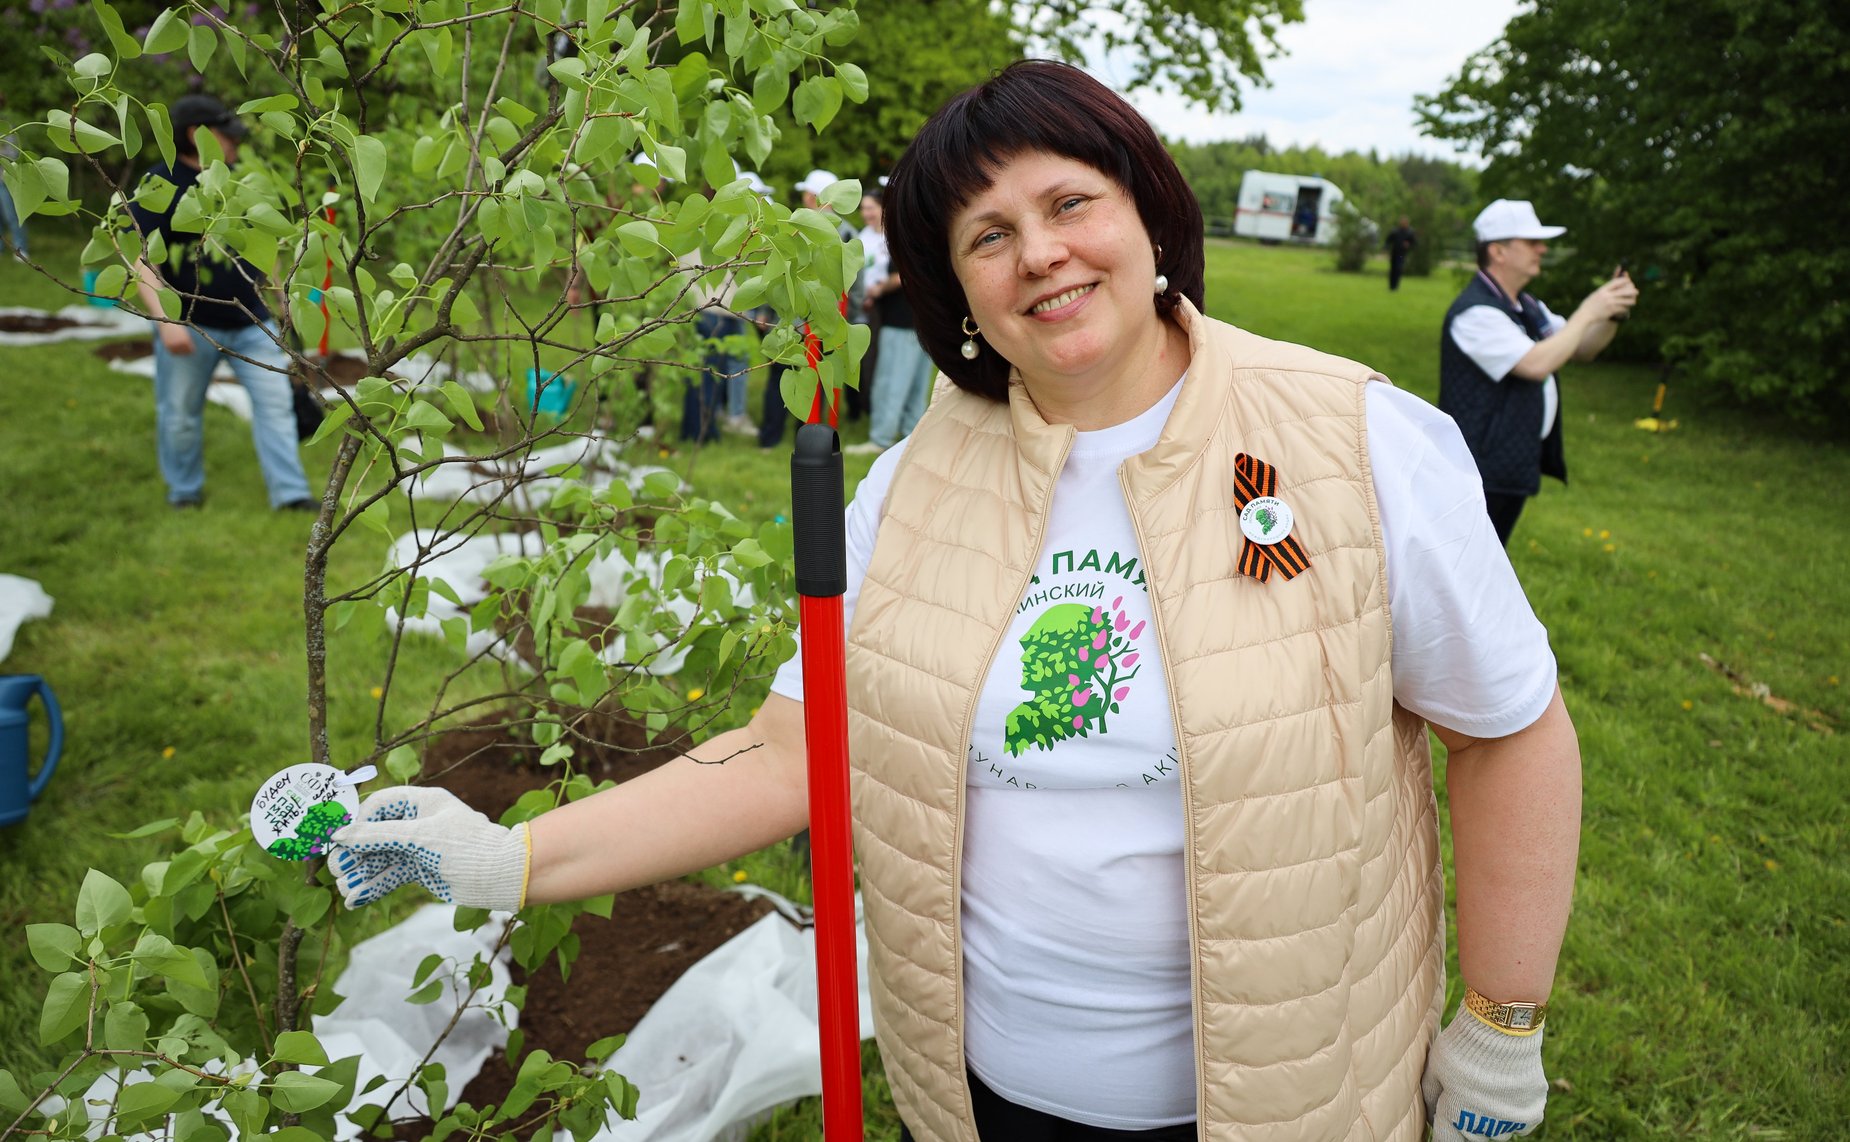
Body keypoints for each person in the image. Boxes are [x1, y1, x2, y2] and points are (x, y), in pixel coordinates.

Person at [329, 62, 1581, 1142]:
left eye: (1067, 202)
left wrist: (1501, 1022)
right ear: (958, 293)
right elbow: (790, 753)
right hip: (983, 1099)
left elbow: (1506, 728)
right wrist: (508, 853)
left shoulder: (1353, 436)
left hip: (1289, 1097)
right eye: (986, 235)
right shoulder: (914, 483)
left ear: (1148, 211)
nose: (1037, 252)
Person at [127, 94, 314, 511]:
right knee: (179, 416)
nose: (234, 145)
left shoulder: (241, 181)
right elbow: (141, 258)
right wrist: (166, 322)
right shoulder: (159, 185)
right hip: (192, 324)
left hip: (254, 323)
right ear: (196, 135)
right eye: (226, 137)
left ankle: (291, 494)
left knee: (277, 408)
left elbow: (266, 246)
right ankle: (184, 492)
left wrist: (281, 299)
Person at [1440, 199, 1637, 545]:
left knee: (1489, 561)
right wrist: (1590, 310)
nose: (1542, 249)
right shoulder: (1475, 314)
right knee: (1467, 565)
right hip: (1480, 468)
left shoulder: (1527, 307)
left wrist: (1612, 314)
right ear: (1498, 252)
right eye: (1531, 242)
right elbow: (1536, 364)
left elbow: (1583, 347)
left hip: (1508, 463)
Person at [0, 130, 28, 262]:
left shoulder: (7, 129)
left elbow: (13, 154)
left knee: (13, 215)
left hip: (5, 181)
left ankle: (20, 249)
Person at [1385, 214, 1417, 291]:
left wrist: (1408, 244)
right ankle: (1391, 286)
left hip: (1401, 254)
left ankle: (1396, 286)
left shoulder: (1410, 232)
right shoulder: (1395, 231)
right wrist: (1386, 247)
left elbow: (1414, 243)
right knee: (1392, 269)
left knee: (1398, 268)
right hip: (1394, 253)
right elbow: (1388, 240)